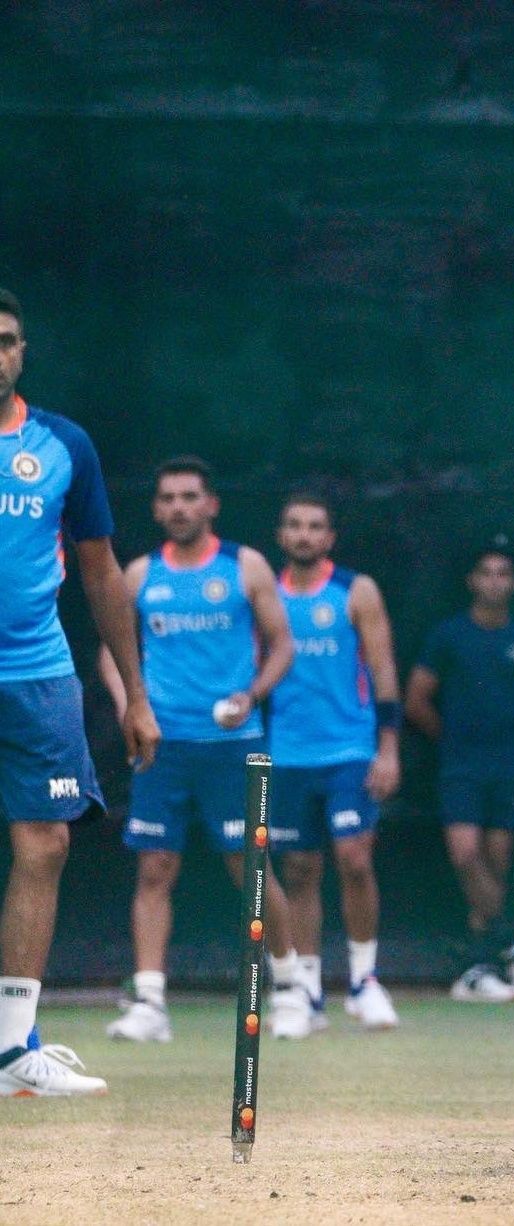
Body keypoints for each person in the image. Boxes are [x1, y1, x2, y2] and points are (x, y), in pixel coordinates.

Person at [0, 289, 161, 1096]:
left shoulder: (64, 444)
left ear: (22, 351)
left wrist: (136, 694)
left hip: (38, 675)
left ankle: (9, 1051)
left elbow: (99, 571)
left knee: (47, 844)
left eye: (6, 341)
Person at [100, 457, 311, 1041]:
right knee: (154, 866)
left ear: (211, 504)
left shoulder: (245, 566)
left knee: (252, 867)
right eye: (167, 497)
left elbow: (283, 646)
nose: (178, 507)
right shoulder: (140, 574)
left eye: (190, 496)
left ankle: (293, 989)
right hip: (163, 745)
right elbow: (111, 652)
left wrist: (253, 694)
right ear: (156, 508)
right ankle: (148, 1003)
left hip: (236, 744)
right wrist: (129, 706)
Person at [405, 547, 514, 1003]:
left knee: (496, 862)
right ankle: (513, 940)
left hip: (509, 765)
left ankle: (481, 966)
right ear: (472, 581)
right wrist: (453, 740)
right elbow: (416, 699)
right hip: (459, 766)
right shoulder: (448, 636)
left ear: (513, 583)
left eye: (504, 573)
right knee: (465, 855)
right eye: (486, 573)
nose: (494, 581)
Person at [269, 493, 401, 1030]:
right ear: (282, 535)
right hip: (284, 754)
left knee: (355, 859)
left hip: (349, 750)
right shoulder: (263, 593)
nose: (304, 534)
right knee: (299, 869)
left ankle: (364, 981)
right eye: (295, 525)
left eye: (315, 527)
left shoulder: (356, 590)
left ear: (329, 538)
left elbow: (384, 668)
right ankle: (306, 991)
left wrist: (388, 748)